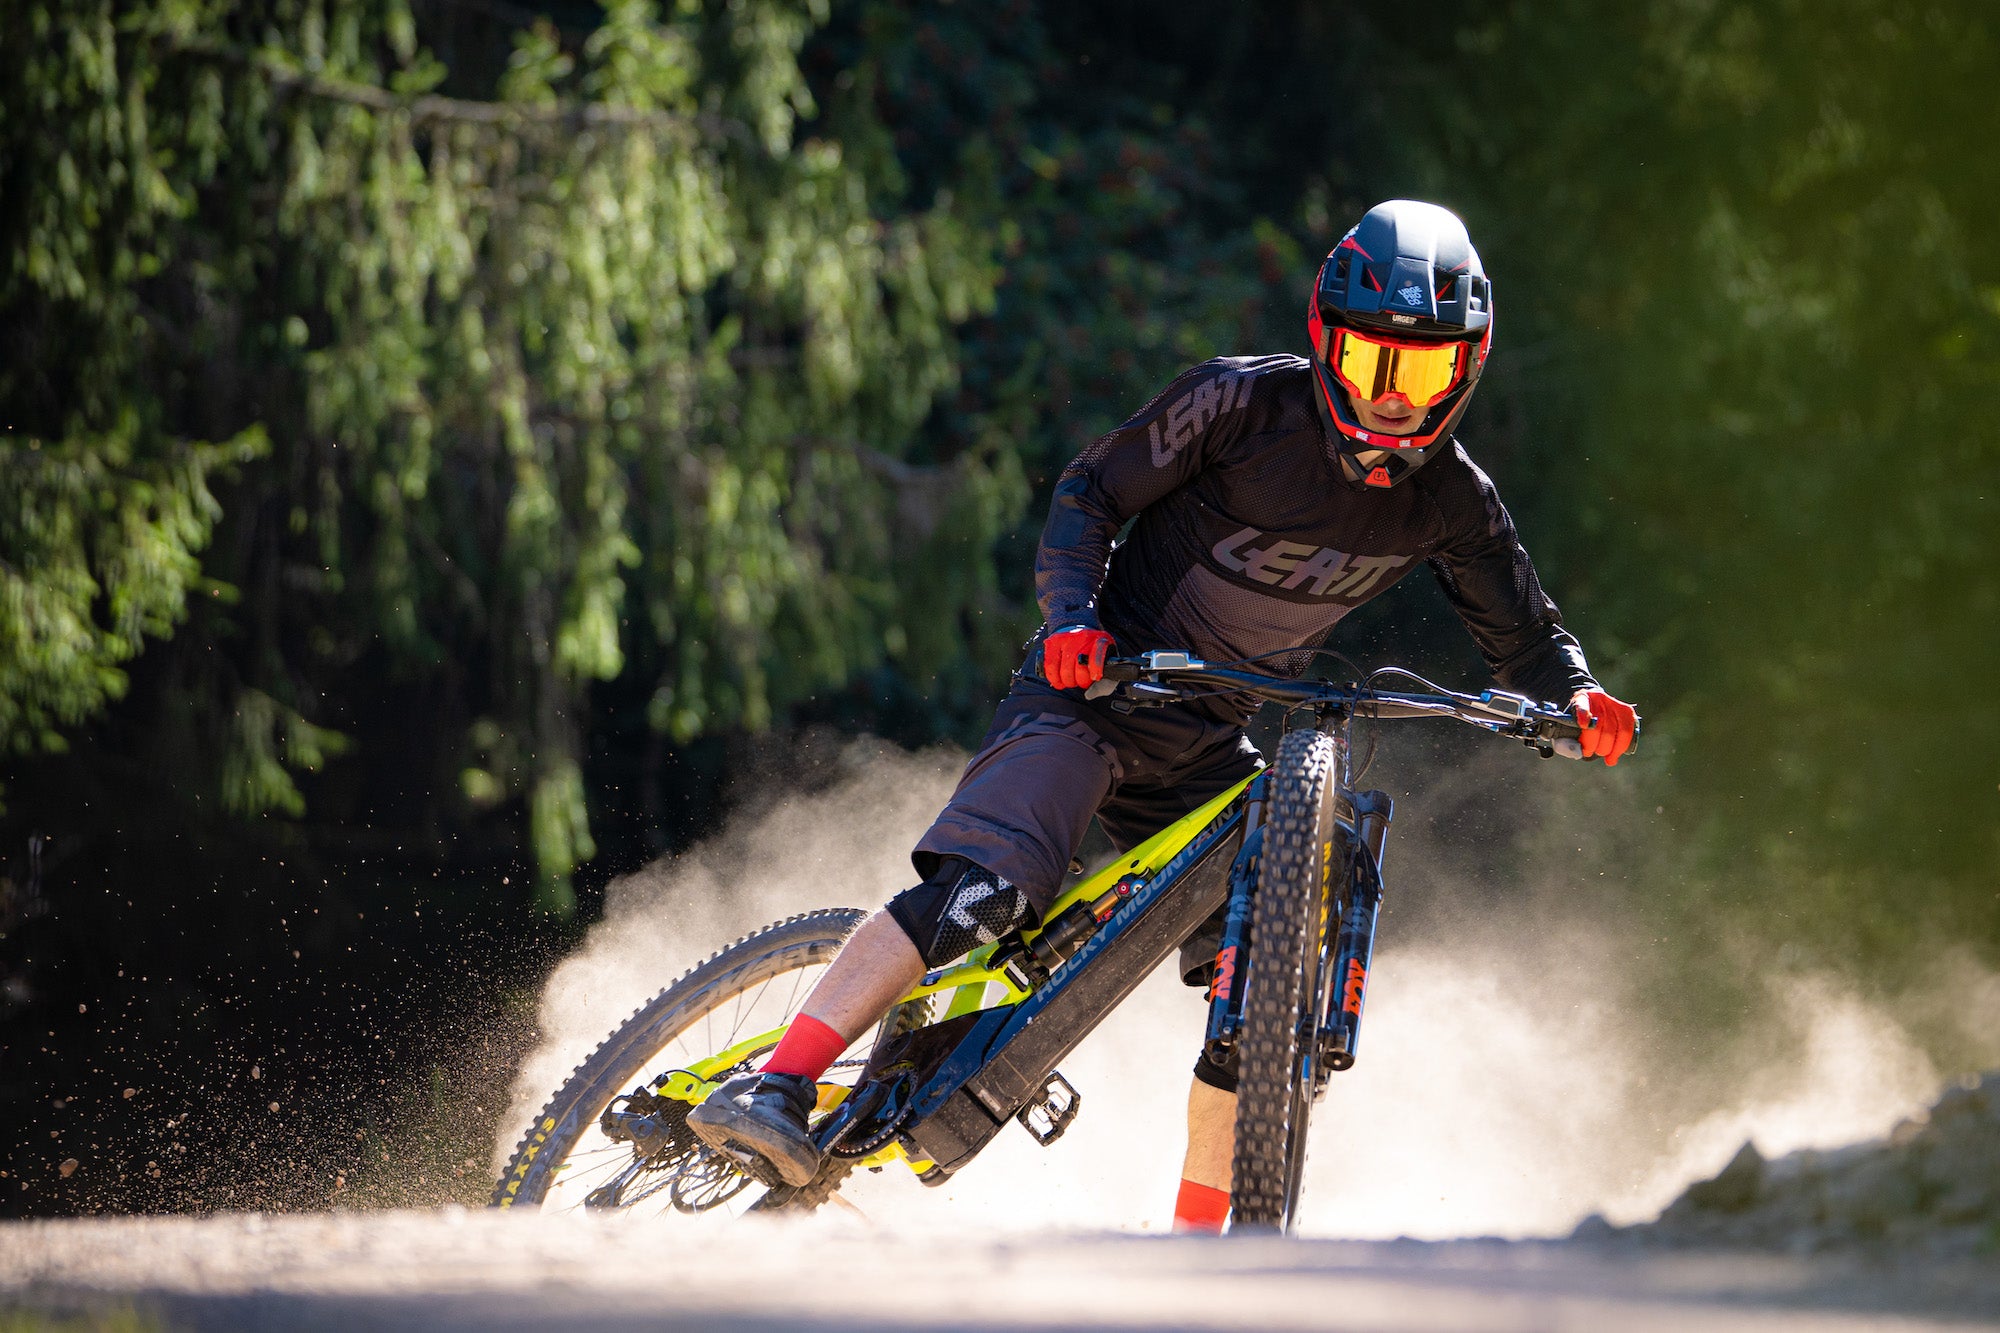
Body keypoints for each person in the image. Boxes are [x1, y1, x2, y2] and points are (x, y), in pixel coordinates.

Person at [689, 199, 1639, 1231]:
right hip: (1091, 694)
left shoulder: (1453, 499)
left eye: (1422, 371)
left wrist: (1577, 698)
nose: (1391, 397)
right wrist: (1072, 618)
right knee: (982, 896)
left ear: (1467, 368)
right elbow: (1089, 491)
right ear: (1326, 340)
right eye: (1372, 361)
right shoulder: (1237, 405)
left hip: (1206, 744)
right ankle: (775, 1085)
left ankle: (1199, 1241)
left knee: (1262, 982)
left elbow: (1526, 637)